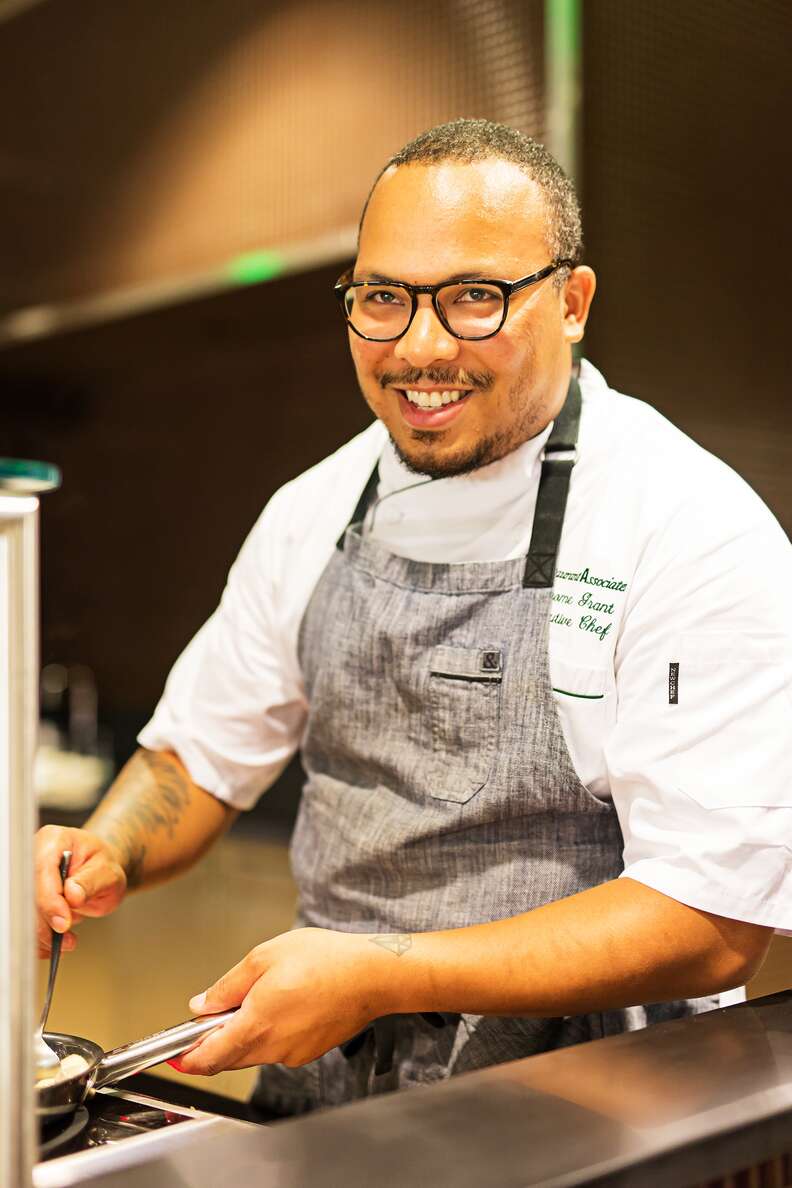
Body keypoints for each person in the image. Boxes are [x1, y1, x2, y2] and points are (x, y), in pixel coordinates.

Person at [36, 119, 791, 1115]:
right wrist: (102, 853)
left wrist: (388, 971)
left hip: (596, 1111)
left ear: (571, 303)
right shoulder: (313, 510)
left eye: (475, 297)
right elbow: (197, 759)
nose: (420, 348)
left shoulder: (685, 527)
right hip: (326, 1106)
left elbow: (712, 919)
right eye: (383, 299)